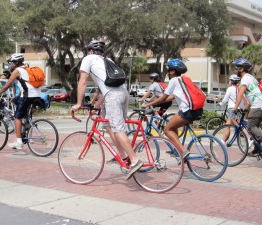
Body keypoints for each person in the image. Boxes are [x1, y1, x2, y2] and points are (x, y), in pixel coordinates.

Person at [71, 40, 143, 180]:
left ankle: (134, 160)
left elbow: (83, 81)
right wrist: (97, 105)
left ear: (90, 51)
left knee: (117, 128)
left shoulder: (88, 58)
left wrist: (79, 103)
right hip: (123, 93)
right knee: (109, 125)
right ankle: (123, 157)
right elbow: (107, 86)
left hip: (113, 96)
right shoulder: (107, 60)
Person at [144, 59, 203, 160]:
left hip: (187, 110)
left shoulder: (174, 81)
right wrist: (158, 101)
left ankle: (183, 152)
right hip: (197, 109)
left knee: (167, 129)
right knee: (173, 126)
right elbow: (172, 97)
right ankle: (177, 149)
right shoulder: (184, 79)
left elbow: (163, 97)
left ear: (173, 71)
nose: (168, 72)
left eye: (169, 70)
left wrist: (148, 104)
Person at [0, 53, 41, 150]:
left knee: (17, 117)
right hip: (36, 95)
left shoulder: (17, 70)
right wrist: (16, 96)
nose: (10, 64)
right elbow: (26, 86)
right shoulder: (27, 69)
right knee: (16, 103)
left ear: (16, 63)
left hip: (28, 95)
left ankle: (19, 141)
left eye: (11, 62)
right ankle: (26, 127)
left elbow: (6, 85)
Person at [233, 58, 262, 157]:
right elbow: (253, 94)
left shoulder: (244, 78)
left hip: (258, 105)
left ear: (241, 69)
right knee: (255, 128)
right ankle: (257, 149)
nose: (235, 70)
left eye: (236, 68)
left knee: (250, 127)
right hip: (259, 104)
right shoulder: (251, 77)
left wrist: (235, 107)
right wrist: (246, 107)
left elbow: (241, 93)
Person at [219, 74, 252, 146]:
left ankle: (249, 138)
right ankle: (222, 140)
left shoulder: (230, 89)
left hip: (232, 109)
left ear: (231, 81)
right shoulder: (240, 88)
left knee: (238, 125)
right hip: (238, 109)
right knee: (228, 124)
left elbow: (225, 100)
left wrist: (221, 104)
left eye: (230, 80)